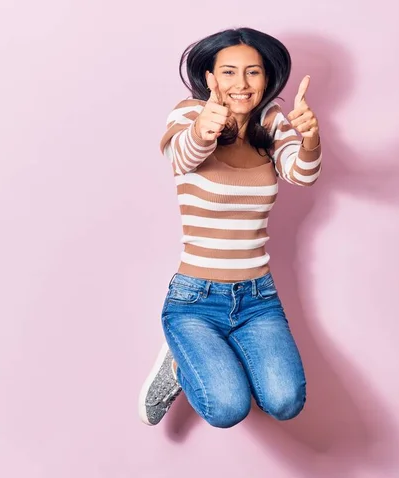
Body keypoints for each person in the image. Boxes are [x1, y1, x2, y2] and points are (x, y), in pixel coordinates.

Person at [138, 27, 322, 428]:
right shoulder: (189, 113)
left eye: (253, 73)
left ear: (267, 78)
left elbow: (301, 173)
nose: (241, 84)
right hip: (195, 300)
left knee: (286, 402)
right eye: (229, 72)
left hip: (258, 297)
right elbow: (181, 155)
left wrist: (310, 138)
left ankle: (210, 354)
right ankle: (178, 366)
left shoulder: (269, 121)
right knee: (227, 409)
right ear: (210, 78)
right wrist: (205, 126)